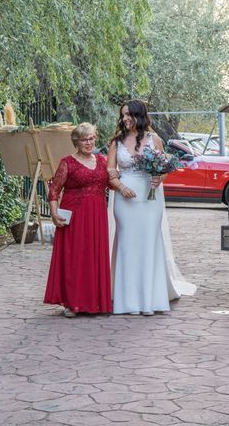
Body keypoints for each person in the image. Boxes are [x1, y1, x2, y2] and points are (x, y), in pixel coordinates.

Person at [107, 99, 196, 315]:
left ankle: (149, 300)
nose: (125, 118)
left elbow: (164, 168)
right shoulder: (116, 142)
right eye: (123, 115)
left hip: (149, 199)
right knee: (127, 245)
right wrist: (120, 187)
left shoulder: (154, 139)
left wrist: (159, 178)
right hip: (125, 199)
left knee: (148, 244)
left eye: (129, 114)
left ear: (139, 115)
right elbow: (110, 171)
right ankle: (127, 301)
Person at [44, 123, 112, 317]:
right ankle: (71, 303)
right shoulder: (67, 162)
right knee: (75, 257)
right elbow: (54, 190)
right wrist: (54, 213)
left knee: (94, 255)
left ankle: (95, 302)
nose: (88, 143)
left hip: (97, 215)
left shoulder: (101, 160)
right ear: (76, 142)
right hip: (75, 215)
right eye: (84, 139)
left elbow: (112, 183)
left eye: (91, 138)